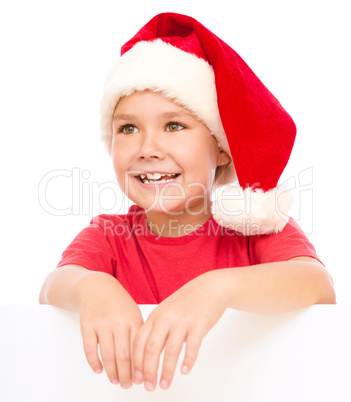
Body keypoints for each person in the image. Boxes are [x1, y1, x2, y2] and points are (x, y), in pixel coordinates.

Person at [39, 12, 336, 392]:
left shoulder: (253, 229)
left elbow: (317, 284)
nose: (147, 149)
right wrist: (92, 287)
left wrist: (217, 288)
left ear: (222, 149)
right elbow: (53, 286)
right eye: (128, 128)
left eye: (174, 125)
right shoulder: (108, 235)